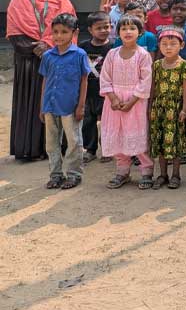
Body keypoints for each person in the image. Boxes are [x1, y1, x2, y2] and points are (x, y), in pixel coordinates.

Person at [6, 0, 76, 160]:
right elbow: (14, 35)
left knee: (57, 102)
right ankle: (30, 148)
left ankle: (59, 146)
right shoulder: (16, 2)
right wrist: (35, 49)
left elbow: (70, 26)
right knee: (31, 102)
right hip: (29, 63)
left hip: (57, 59)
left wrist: (48, 45)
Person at [99, 15, 154, 189]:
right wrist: (113, 98)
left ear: (140, 32)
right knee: (118, 135)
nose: (128, 32)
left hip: (136, 102)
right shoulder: (112, 54)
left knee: (137, 133)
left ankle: (146, 171)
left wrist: (131, 101)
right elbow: (105, 77)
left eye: (132, 28)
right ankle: (122, 171)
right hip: (113, 103)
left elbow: (146, 80)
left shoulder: (143, 55)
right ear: (118, 33)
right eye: (123, 28)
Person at [39, 14, 90, 190]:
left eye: (64, 32)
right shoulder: (47, 56)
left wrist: (81, 106)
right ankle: (55, 174)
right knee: (51, 142)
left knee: (74, 141)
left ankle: (74, 174)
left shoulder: (79, 54)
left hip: (70, 106)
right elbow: (45, 81)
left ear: (74, 33)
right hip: (50, 105)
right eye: (55, 32)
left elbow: (84, 80)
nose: (59, 36)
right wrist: (42, 106)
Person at [149, 26, 186, 189]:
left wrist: (184, 109)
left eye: (173, 44)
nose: (168, 48)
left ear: (181, 46)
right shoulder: (156, 65)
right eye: (164, 44)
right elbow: (153, 87)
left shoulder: (184, 65)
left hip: (175, 109)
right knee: (160, 141)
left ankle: (176, 175)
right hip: (159, 108)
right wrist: (150, 107)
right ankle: (162, 174)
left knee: (175, 141)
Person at [79, 11, 113, 163]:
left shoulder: (113, 48)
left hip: (106, 92)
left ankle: (106, 149)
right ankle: (90, 149)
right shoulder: (83, 47)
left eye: (107, 26)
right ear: (90, 30)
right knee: (88, 121)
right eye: (99, 28)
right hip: (87, 91)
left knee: (107, 122)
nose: (104, 30)